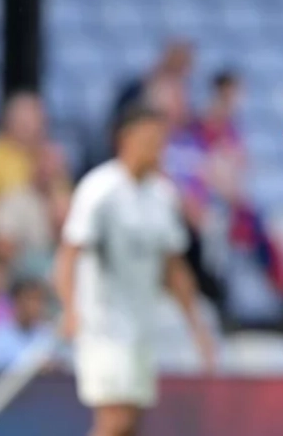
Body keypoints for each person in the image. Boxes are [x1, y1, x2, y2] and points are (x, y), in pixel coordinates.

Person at [53, 103, 216, 436]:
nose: (158, 146)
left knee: (133, 423)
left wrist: (196, 324)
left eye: (161, 139)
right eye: (150, 138)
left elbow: (174, 267)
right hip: (103, 323)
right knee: (115, 419)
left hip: (142, 325)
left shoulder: (163, 194)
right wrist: (70, 309)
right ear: (126, 139)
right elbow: (69, 254)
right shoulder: (99, 189)